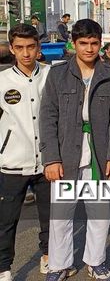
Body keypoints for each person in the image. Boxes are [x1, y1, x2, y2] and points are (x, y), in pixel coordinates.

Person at [40, 19, 110, 281]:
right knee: (62, 213)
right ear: (73, 43)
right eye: (83, 43)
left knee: (98, 211)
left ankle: (95, 261)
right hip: (67, 152)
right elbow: (47, 117)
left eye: (94, 43)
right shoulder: (57, 74)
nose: (89, 49)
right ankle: (59, 264)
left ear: (101, 44)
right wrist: (51, 158)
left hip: (98, 154)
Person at [0, 24, 56, 280]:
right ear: (11, 49)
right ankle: (4, 267)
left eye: (31, 47)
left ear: (39, 48)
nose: (25, 53)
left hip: (47, 161)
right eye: (20, 48)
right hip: (11, 162)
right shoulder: (2, 81)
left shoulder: (51, 75)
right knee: (6, 221)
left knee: (50, 216)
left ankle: (47, 256)